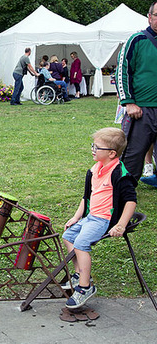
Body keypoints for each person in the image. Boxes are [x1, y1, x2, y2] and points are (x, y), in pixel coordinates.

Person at [62, 127, 137, 309]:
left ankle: (85, 287)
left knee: (81, 243)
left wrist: (120, 225)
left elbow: (130, 202)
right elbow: (86, 197)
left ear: (112, 154)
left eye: (97, 147)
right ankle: (80, 273)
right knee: (68, 236)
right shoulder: (95, 169)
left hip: (104, 220)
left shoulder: (120, 174)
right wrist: (76, 217)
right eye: (93, 146)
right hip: (90, 217)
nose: (93, 150)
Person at [115, 1, 157, 183]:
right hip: (142, 110)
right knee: (134, 154)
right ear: (149, 17)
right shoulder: (137, 40)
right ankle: (123, 193)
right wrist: (129, 102)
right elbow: (122, 71)